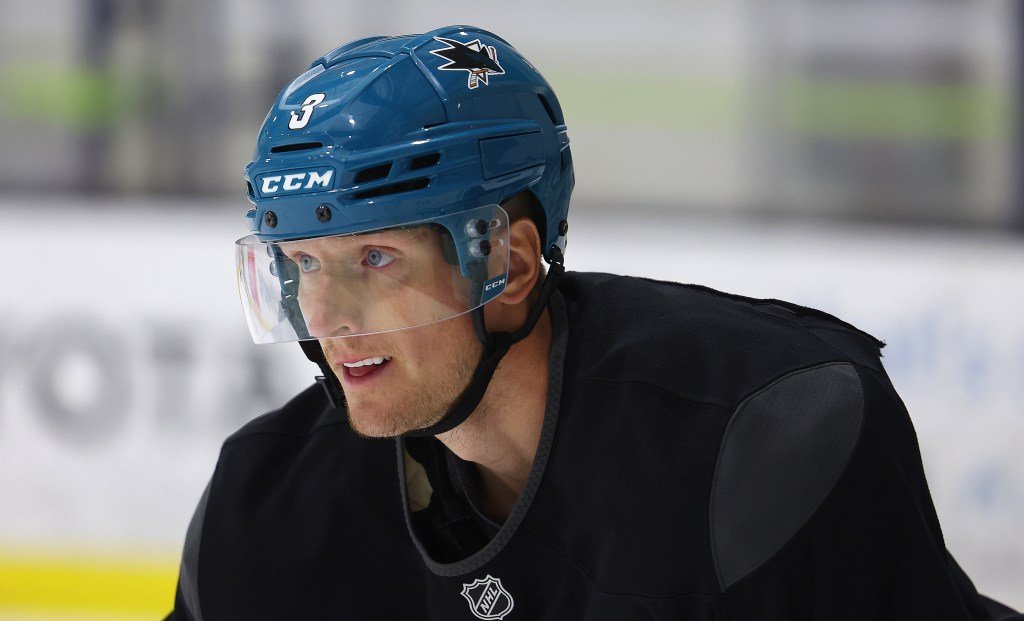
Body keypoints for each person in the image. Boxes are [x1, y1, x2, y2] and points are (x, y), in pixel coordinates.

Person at [166, 25, 1022, 621]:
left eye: (375, 259)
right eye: (302, 264)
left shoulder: (761, 438)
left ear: (508, 263)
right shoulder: (266, 506)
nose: (324, 315)